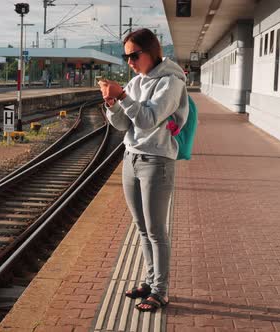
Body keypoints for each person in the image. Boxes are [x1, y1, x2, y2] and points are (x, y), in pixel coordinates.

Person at [98, 28, 188, 312]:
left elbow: (148, 120)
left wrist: (122, 95)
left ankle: (161, 291)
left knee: (156, 230)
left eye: (134, 55)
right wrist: (112, 104)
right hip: (131, 158)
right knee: (140, 227)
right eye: (126, 57)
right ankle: (150, 281)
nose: (130, 62)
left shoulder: (171, 83)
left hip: (157, 161)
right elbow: (124, 126)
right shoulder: (136, 82)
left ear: (152, 51)